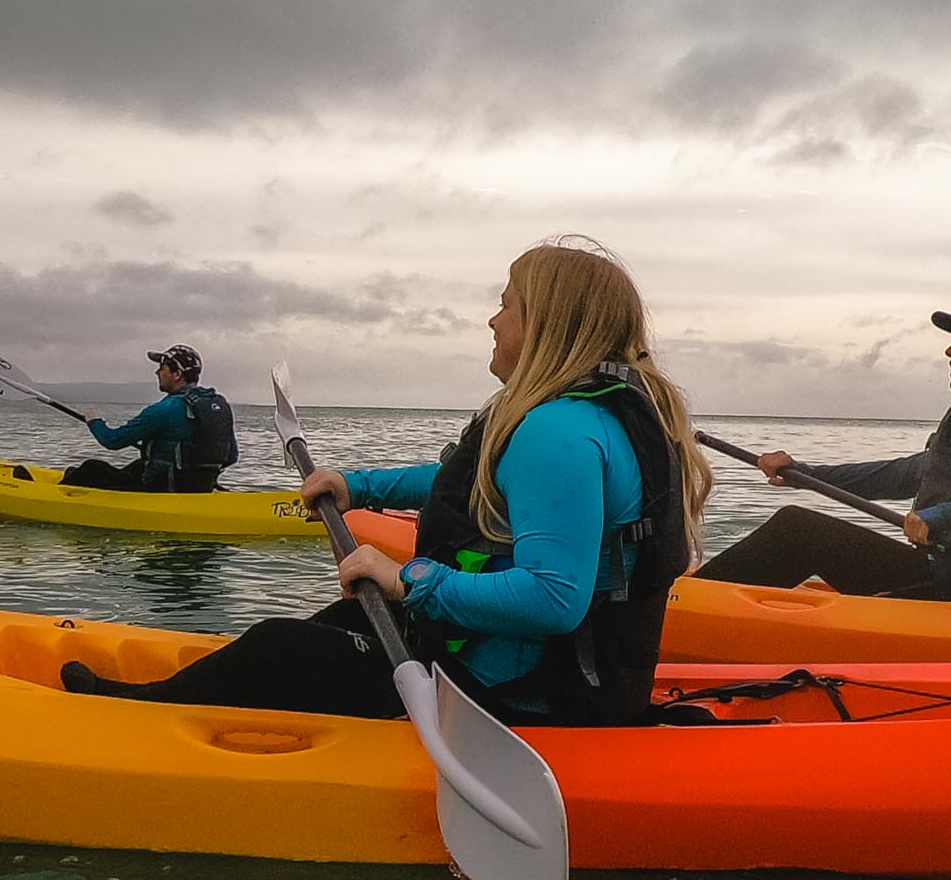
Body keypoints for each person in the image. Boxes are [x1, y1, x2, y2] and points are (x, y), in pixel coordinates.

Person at [62, 238, 712, 726]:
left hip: (515, 694)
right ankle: (182, 704)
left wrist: (408, 579)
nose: (492, 320)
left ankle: (132, 724)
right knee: (343, 619)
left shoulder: (558, 432)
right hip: (521, 666)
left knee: (278, 647)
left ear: (547, 324)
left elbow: (552, 598)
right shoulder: (585, 415)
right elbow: (470, 486)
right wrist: (358, 485)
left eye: (506, 305)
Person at [695, 296, 951, 602]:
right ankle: (706, 604)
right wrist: (804, 473)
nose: (950, 350)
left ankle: (686, 611)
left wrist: (943, 517)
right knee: (799, 525)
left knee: (798, 530)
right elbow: (904, 474)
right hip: (942, 576)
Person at [59, 344, 239, 493]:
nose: (157, 373)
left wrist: (94, 421)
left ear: (177, 374)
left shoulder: (165, 409)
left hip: (164, 489)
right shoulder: (218, 403)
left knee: (91, 468)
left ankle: (57, 498)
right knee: (140, 464)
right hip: (199, 487)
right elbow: (231, 456)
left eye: (162, 368)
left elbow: (112, 440)